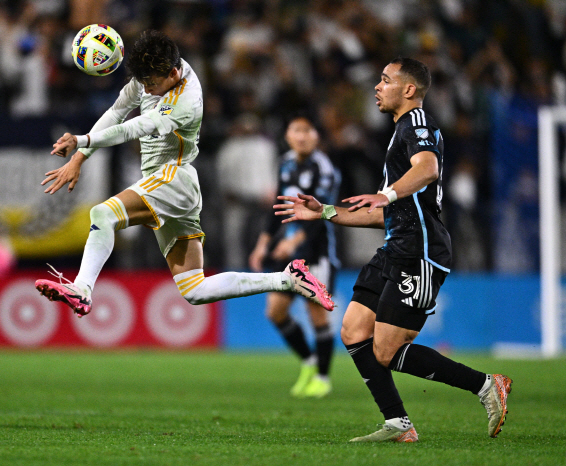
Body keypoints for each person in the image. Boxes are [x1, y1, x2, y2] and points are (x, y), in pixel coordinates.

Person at [274, 57, 512, 442]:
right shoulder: (400, 131)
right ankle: (398, 424)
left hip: (420, 250)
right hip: (395, 245)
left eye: (385, 80)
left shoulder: (417, 123)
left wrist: (386, 194)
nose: (377, 87)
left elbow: (428, 168)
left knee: (386, 350)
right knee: (353, 330)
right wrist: (326, 212)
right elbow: (382, 214)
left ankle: (486, 385)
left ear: (409, 89)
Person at [33, 30, 334, 318]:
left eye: (151, 84)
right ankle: (288, 279)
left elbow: (137, 126)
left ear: (173, 74)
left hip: (172, 178)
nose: (146, 89)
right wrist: (80, 158)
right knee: (194, 289)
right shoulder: (155, 68)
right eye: (143, 83)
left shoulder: (186, 99)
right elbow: (116, 112)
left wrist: (82, 140)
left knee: (103, 214)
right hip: (170, 184)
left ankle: (82, 289)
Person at [249, 115, 340, 398]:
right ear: (288, 135)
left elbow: (322, 213)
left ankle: (322, 378)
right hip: (287, 250)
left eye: (307, 130)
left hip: (316, 250)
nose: (301, 136)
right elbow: (278, 207)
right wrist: (263, 244)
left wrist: (295, 242)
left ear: (316, 136)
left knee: (316, 313)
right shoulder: (285, 163)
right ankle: (309, 362)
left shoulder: (324, 168)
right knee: (275, 312)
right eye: (296, 130)